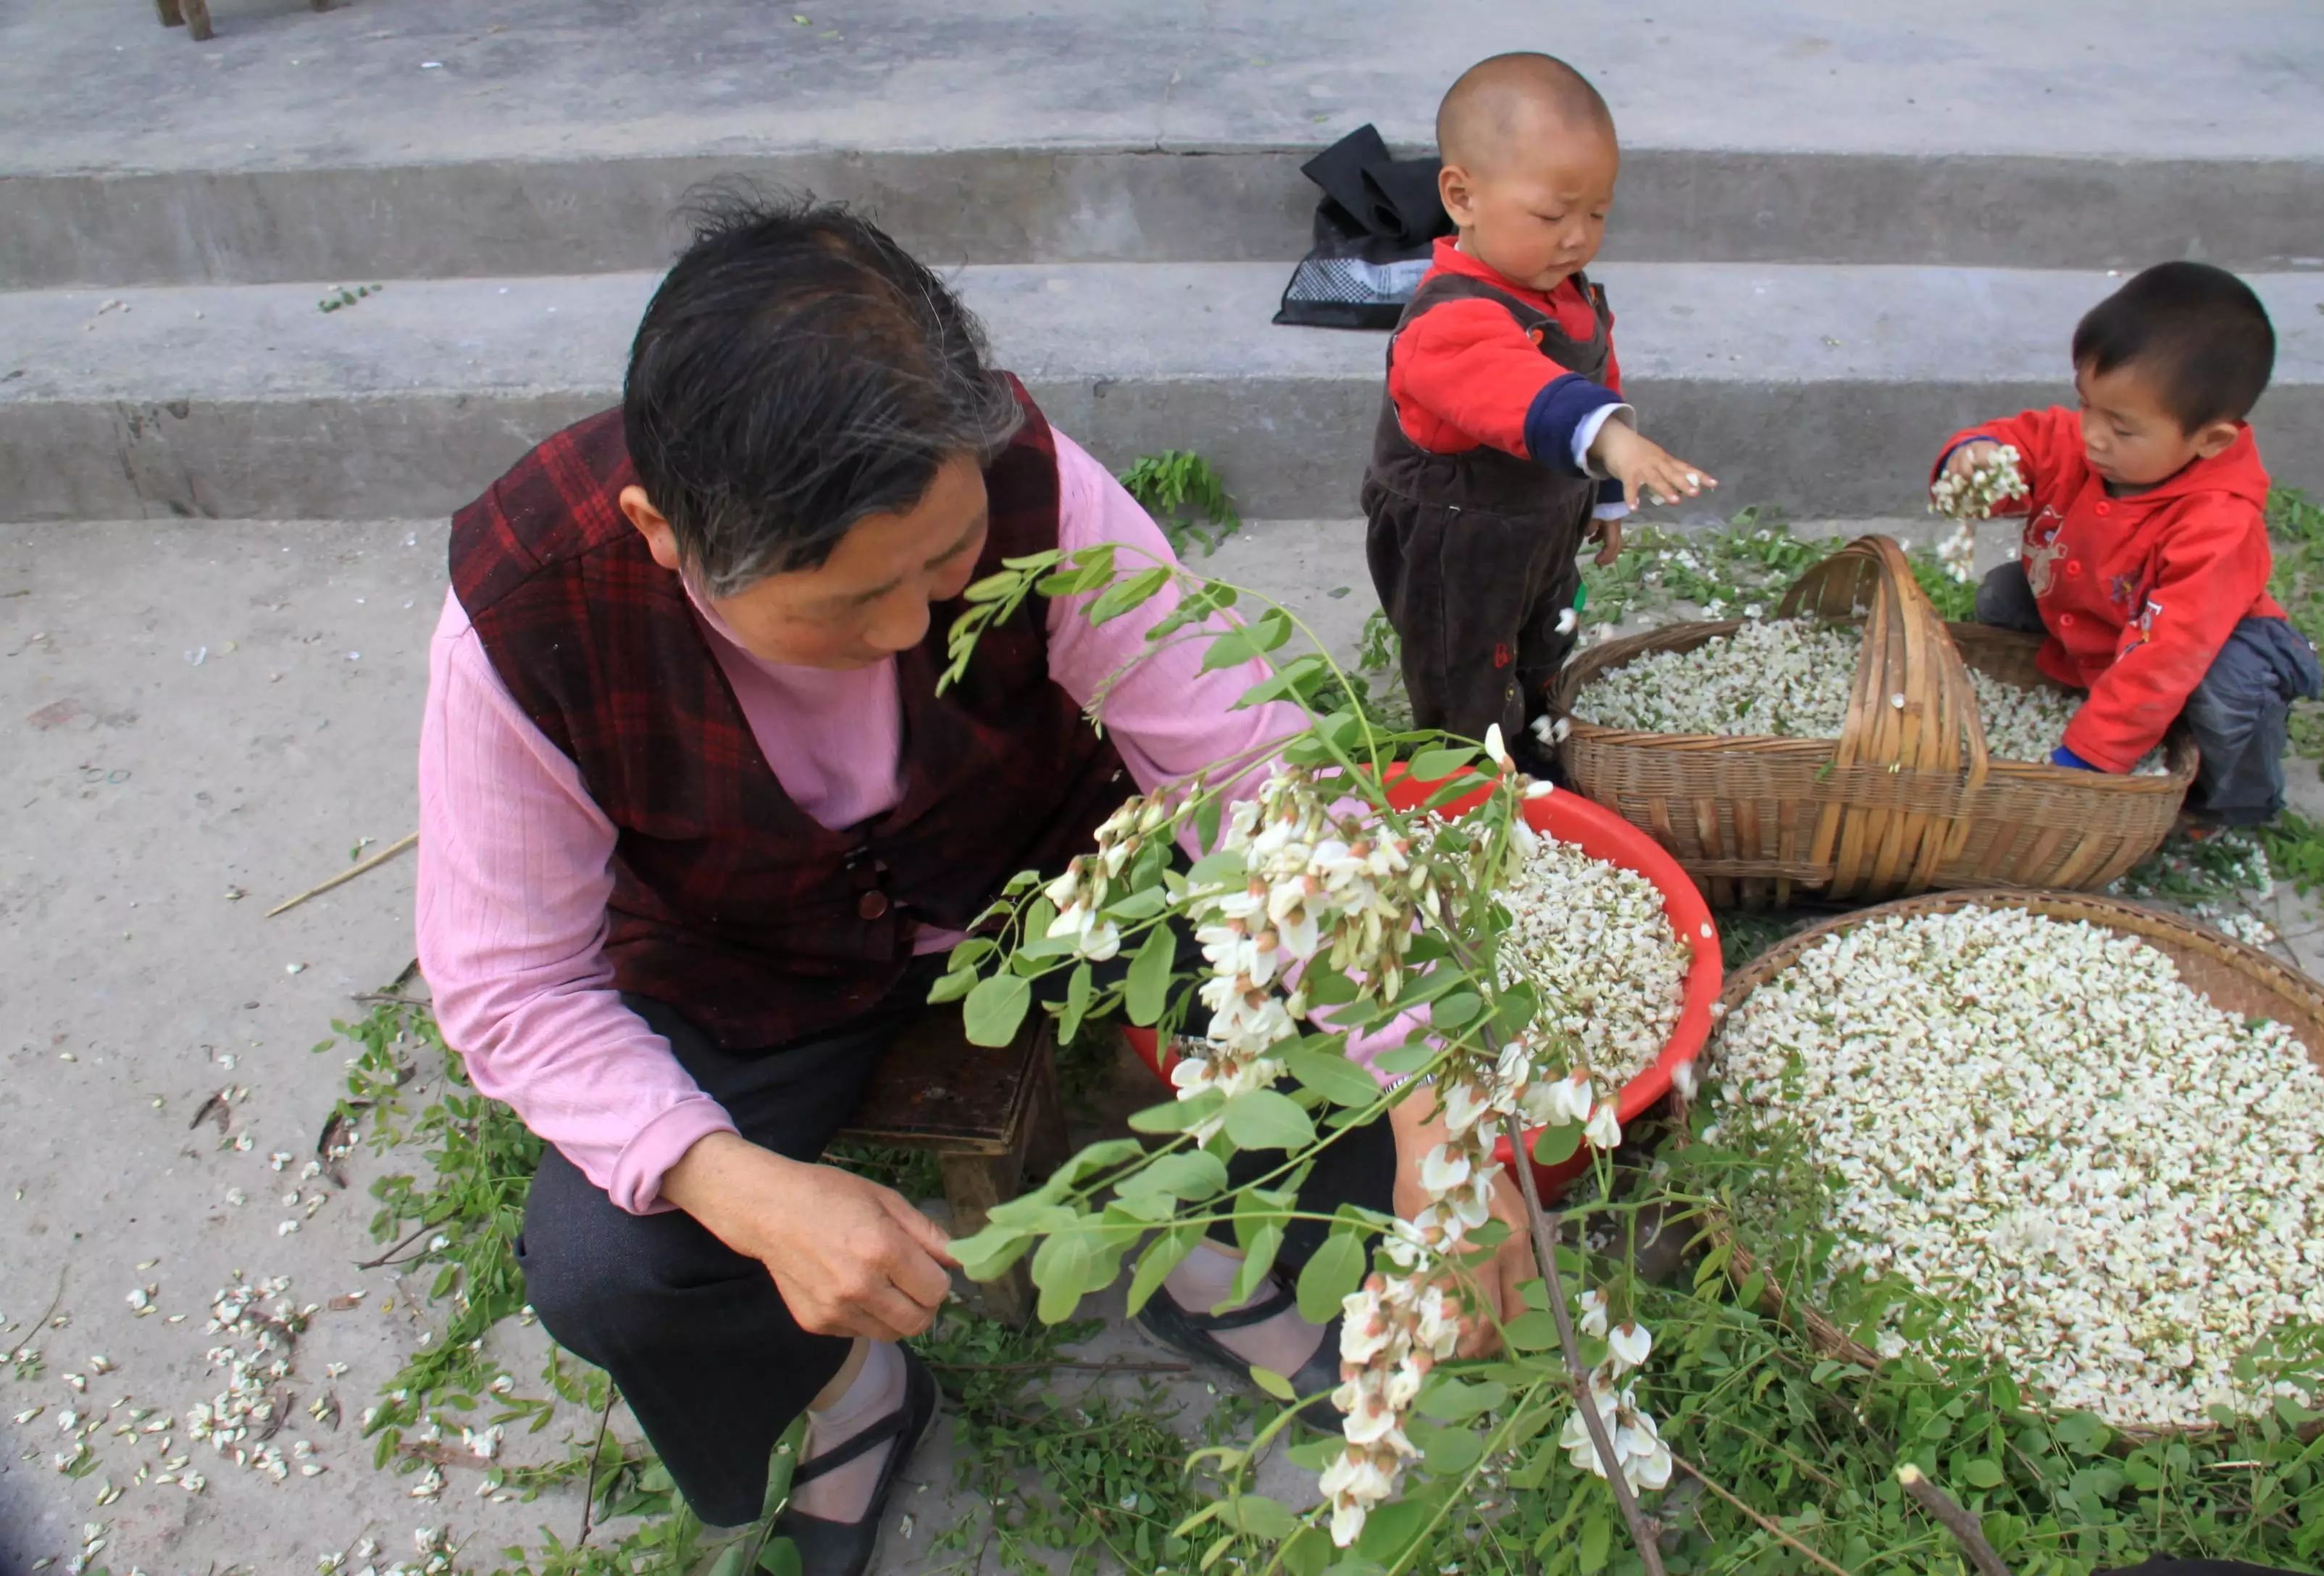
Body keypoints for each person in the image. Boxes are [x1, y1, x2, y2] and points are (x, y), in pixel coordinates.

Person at [415, 191, 1531, 1573]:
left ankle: (1222, 1264)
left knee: (1338, 1018)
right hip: (741, 961)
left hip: (1049, 869)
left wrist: (1432, 1091)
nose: (910, 630)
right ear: (661, 534)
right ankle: (845, 1395)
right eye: (836, 608)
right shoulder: (534, 608)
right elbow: (511, 983)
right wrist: (742, 1186)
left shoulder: (1028, 483)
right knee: (611, 1266)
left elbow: (1254, 776)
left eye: (945, 566)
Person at [1362, 51, 1715, 776]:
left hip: (1541, 524)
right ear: (1462, 197)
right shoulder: (1449, 320)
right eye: (1552, 214)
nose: (1577, 236)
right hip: (1458, 544)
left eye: (1597, 213)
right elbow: (1522, 389)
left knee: (1542, 631)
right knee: (1465, 665)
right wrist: (1613, 442)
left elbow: (1596, 371)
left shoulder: (1566, 291)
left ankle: (1534, 731)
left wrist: (1609, 495)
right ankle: (1469, 779)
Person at [1934, 262, 2322, 823]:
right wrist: (1972, 460)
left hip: (2205, 642)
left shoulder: (2217, 523)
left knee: (2227, 692)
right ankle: (2078, 686)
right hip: (2104, 610)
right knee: (2003, 595)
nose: (2091, 433)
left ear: (2209, 441)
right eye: (2085, 402)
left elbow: (2163, 655)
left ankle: (2232, 803)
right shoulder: (2080, 443)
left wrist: (2088, 755)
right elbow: (2017, 442)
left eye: (2121, 428)